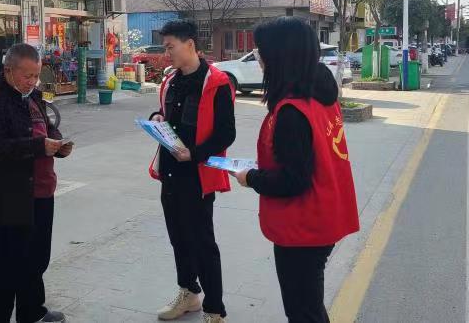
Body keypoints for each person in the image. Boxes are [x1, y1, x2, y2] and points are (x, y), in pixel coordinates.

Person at [230, 17, 360, 323]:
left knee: (303, 311)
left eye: (262, 52)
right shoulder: (318, 94)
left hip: (305, 226)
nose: (259, 60)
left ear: (280, 57)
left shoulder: (292, 111)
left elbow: (294, 180)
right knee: (308, 304)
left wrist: (251, 177)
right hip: (324, 215)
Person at [0, 43, 73, 323]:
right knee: (5, 269)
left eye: (36, 75)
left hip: (42, 193)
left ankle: (32, 312)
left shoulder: (34, 97)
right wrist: (40, 146)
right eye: (27, 76)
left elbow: (48, 129)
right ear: (8, 71)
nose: (32, 81)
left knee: (36, 260)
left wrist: (58, 144)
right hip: (10, 199)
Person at [148, 21, 236, 323]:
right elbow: (166, 116)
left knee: (202, 242)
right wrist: (157, 118)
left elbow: (226, 133)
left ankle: (214, 308)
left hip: (197, 175)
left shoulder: (217, 82)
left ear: (189, 44)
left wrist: (195, 154)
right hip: (170, 172)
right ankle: (188, 293)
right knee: (178, 238)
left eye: (170, 46)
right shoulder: (170, 81)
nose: (166, 53)